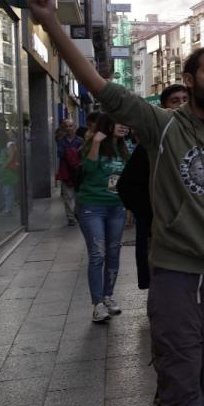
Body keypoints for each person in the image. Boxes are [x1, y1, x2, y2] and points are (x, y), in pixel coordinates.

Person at [27, 0, 204, 406]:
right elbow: (103, 90)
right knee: (180, 380)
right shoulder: (163, 126)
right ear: (189, 79)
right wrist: (51, 21)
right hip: (176, 274)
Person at [118, 84, 188, 292]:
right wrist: (157, 212)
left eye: (185, 100)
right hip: (161, 235)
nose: (181, 105)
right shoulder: (153, 144)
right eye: (175, 101)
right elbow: (126, 186)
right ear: (164, 108)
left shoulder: (201, 139)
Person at [76, 113, 131, 323]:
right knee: (97, 254)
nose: (123, 126)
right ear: (108, 125)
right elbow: (89, 169)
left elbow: (126, 180)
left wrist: (128, 207)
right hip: (92, 206)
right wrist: (96, 143)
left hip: (116, 207)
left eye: (125, 123)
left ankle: (108, 296)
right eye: (119, 122)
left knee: (114, 252)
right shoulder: (92, 143)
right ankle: (97, 304)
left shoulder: (125, 148)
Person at [55, 119, 83, 226]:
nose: (68, 128)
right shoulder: (61, 141)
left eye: (71, 126)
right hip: (66, 171)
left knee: (78, 196)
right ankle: (70, 217)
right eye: (66, 126)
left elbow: (83, 155)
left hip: (78, 172)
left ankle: (76, 213)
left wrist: (70, 151)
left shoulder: (80, 140)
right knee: (67, 196)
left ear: (75, 127)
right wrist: (74, 151)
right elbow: (60, 154)